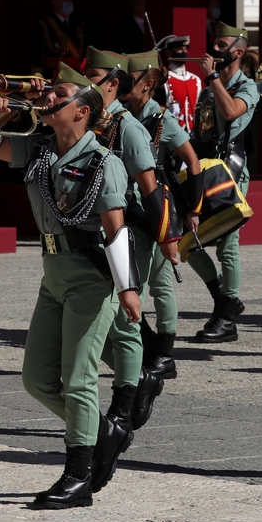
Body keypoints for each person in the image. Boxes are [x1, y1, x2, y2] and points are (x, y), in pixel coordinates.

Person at [0, 68, 139, 509]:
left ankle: (78, 476)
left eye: (57, 94)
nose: (44, 97)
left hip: (89, 280)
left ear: (81, 111)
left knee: (79, 379)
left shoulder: (103, 162)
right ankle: (104, 433)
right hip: (52, 274)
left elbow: (116, 231)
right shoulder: (38, 150)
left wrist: (128, 289)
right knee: (37, 380)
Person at [80, 48, 175, 483]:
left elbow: (151, 191)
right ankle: (143, 371)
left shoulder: (129, 127)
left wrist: (167, 241)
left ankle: (122, 407)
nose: (88, 81)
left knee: (122, 318)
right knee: (103, 321)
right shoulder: (85, 118)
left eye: (95, 76)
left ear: (113, 83)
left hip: (131, 233)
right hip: (91, 234)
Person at [122, 50, 203, 389]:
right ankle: (148, 344)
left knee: (159, 283)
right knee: (131, 282)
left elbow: (193, 161)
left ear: (148, 85)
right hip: (130, 209)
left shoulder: (161, 120)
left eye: (132, 80)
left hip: (157, 210)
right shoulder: (124, 117)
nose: (125, 85)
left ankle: (164, 352)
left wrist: (194, 210)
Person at [187, 22, 259, 343]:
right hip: (205, 171)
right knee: (186, 243)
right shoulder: (206, 91)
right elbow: (200, 135)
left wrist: (213, 77)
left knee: (228, 247)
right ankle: (225, 301)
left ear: (238, 52)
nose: (215, 49)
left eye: (221, 44)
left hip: (231, 171)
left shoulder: (249, 88)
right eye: (214, 43)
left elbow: (231, 113)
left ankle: (227, 319)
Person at [30, 0, 86, 78]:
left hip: (76, 74)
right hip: (54, 75)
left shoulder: (78, 22)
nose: (69, 1)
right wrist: (37, 73)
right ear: (55, 2)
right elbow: (37, 52)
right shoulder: (45, 25)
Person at [157, 34, 202, 133]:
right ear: (169, 52)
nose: (184, 52)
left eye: (185, 49)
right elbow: (155, 108)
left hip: (193, 132)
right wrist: (167, 110)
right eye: (179, 49)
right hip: (171, 131)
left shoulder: (195, 79)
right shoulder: (163, 79)